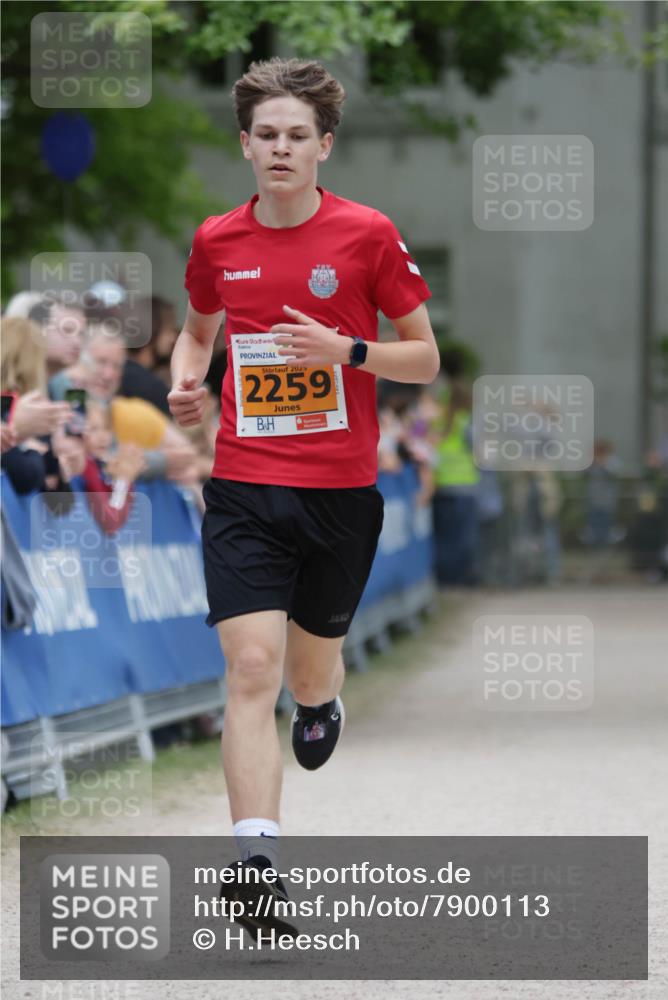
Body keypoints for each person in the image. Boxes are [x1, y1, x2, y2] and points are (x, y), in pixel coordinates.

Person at [168, 57, 439, 936]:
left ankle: (321, 702)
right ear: (244, 145)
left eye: (297, 135)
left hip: (339, 494)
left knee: (306, 672)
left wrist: (344, 351)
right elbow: (197, 333)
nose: (281, 148)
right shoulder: (218, 241)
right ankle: (255, 866)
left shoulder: (366, 234)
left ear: (324, 146)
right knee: (251, 669)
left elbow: (424, 358)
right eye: (266, 135)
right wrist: (185, 381)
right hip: (245, 485)